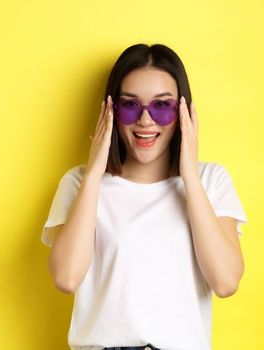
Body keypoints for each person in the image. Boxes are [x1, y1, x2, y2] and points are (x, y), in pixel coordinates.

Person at [41, 43, 249, 350]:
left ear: (182, 113)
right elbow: (67, 278)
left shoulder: (211, 181)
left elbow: (226, 282)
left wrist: (189, 175)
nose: (146, 121)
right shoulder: (79, 183)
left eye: (162, 106)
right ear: (110, 110)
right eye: (130, 106)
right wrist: (96, 171)